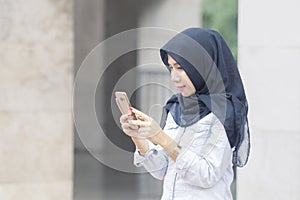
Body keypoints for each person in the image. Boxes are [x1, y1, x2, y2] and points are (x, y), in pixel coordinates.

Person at [119, 28, 250, 200]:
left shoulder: (223, 111)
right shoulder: (177, 107)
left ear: (203, 66)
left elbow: (207, 174)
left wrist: (160, 137)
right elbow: (162, 170)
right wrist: (138, 137)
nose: (174, 77)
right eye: (171, 67)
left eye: (181, 68)